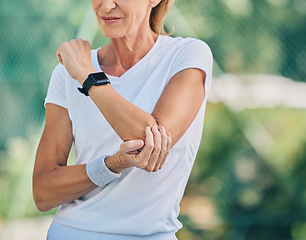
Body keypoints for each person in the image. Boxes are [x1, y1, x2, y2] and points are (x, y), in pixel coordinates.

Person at [32, 0, 212, 238]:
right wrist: (109, 164)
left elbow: (150, 147)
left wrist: (89, 77)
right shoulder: (67, 73)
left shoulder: (186, 55)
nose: (106, 6)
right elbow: (43, 192)